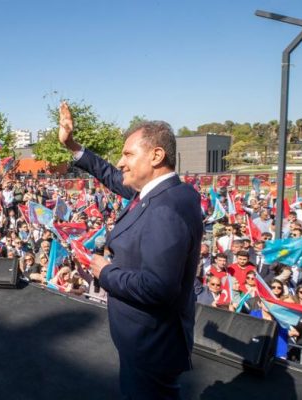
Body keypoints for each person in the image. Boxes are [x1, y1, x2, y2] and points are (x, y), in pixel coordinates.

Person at [60, 104, 202, 399]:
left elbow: (158, 287)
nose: (120, 162)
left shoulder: (166, 207)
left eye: (128, 154)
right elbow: (112, 176)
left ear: (156, 155)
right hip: (145, 340)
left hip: (151, 344)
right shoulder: (163, 192)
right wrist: (72, 145)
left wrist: (106, 271)